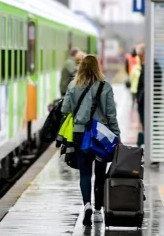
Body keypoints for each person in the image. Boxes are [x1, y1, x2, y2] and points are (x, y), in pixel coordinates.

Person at [61, 54, 120, 226]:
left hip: (80, 134)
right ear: (97, 68)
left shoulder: (73, 85)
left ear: (80, 68)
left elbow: (65, 109)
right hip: (101, 136)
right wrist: (116, 136)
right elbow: (111, 115)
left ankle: (86, 204)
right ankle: (97, 210)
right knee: (100, 174)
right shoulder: (105, 87)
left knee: (85, 173)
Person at [131, 44, 161, 148]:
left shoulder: (151, 66)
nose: (139, 58)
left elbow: (147, 86)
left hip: (148, 103)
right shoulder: (148, 66)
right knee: (147, 125)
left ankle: (154, 148)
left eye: (140, 55)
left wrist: (139, 98)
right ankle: (150, 148)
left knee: (150, 125)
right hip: (144, 102)